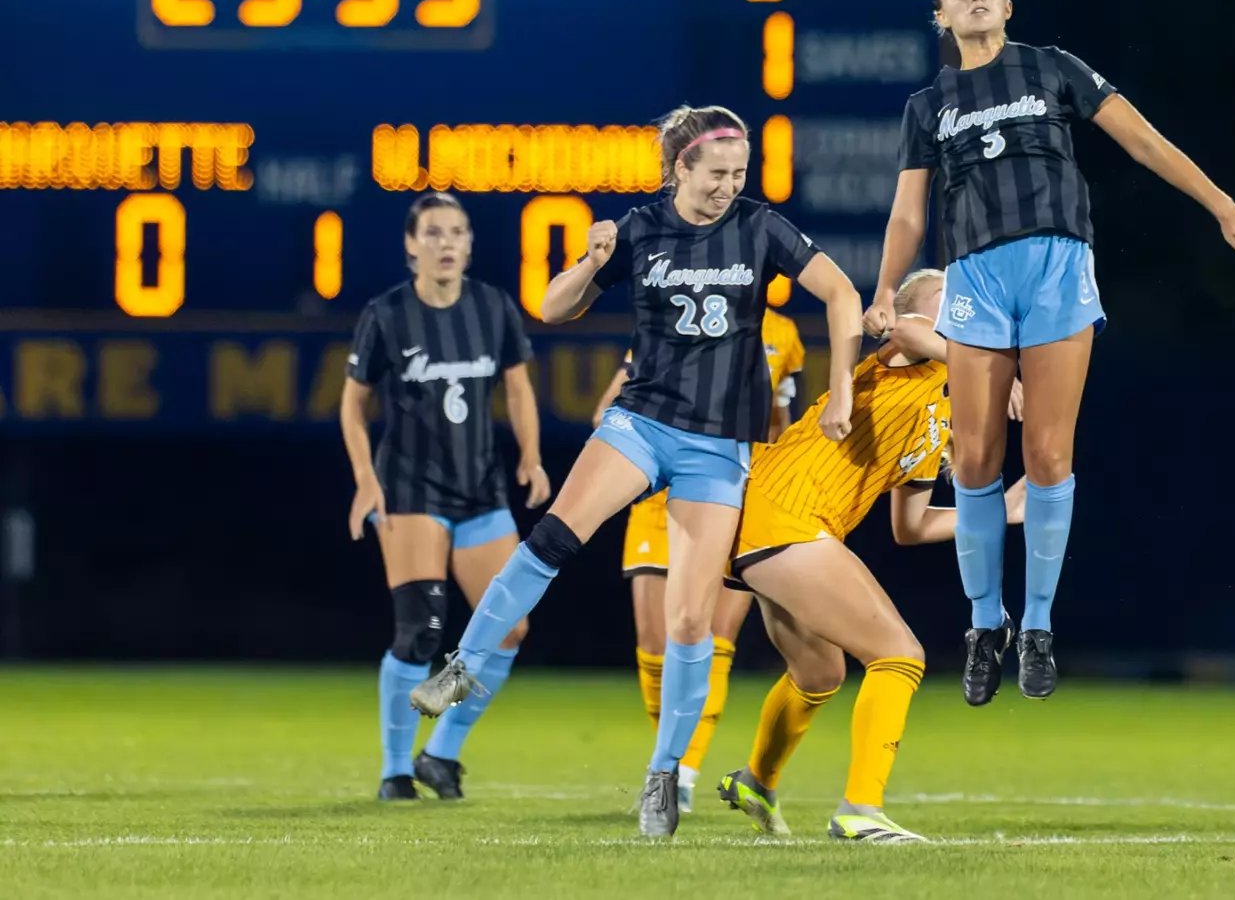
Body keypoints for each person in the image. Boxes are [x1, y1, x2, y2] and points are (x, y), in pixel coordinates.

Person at [409, 105, 864, 838]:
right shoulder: (639, 228)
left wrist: (840, 388)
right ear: (680, 168)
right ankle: (464, 664)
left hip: (717, 444)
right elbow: (552, 307)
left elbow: (842, 293)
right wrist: (592, 261)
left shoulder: (761, 226)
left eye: (739, 173)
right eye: (717, 173)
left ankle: (663, 774)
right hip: (642, 423)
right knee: (554, 536)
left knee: (689, 619)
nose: (729, 186)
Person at [865, 0, 1235, 705]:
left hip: (1057, 264)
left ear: (1008, 4)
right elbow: (909, 213)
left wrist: (1221, 204)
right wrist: (886, 290)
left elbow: (1143, 141)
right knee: (974, 459)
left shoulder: (1051, 67)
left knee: (1047, 454)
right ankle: (986, 623)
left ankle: (1039, 627)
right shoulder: (929, 104)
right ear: (940, 16)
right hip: (976, 275)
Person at [714, 267, 1025, 842]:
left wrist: (999, 511)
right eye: (950, 300)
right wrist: (991, 369)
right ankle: (859, 810)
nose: (965, 309)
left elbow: (911, 527)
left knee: (819, 673)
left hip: (769, 518)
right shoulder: (908, 352)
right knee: (899, 655)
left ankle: (756, 780)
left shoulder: (936, 410)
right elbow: (907, 331)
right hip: (785, 510)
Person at [340, 192, 550, 801]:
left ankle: (441, 753)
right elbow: (353, 405)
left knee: (509, 630)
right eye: (433, 233)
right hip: (409, 490)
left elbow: (518, 389)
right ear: (411, 245)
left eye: (457, 232)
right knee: (422, 630)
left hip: (480, 488)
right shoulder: (386, 314)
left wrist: (531, 456)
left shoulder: (492, 306)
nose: (446, 243)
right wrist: (365, 479)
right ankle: (394, 771)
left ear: (469, 243)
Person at [592, 308, 804, 813]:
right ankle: (666, 758)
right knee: (655, 644)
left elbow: (780, 426)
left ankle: (680, 773)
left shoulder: (783, 333)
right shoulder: (673, 310)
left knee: (714, 637)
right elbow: (605, 413)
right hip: (659, 499)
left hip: (729, 495)